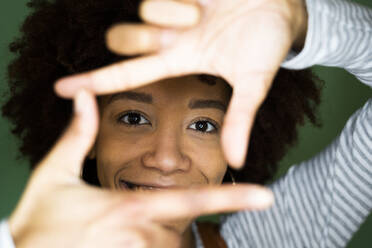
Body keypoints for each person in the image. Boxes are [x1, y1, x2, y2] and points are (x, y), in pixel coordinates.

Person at [0, 0, 371, 248]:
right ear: (90, 135)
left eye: (204, 126)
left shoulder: (274, 238)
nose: (165, 159)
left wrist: (298, 20)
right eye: (134, 118)